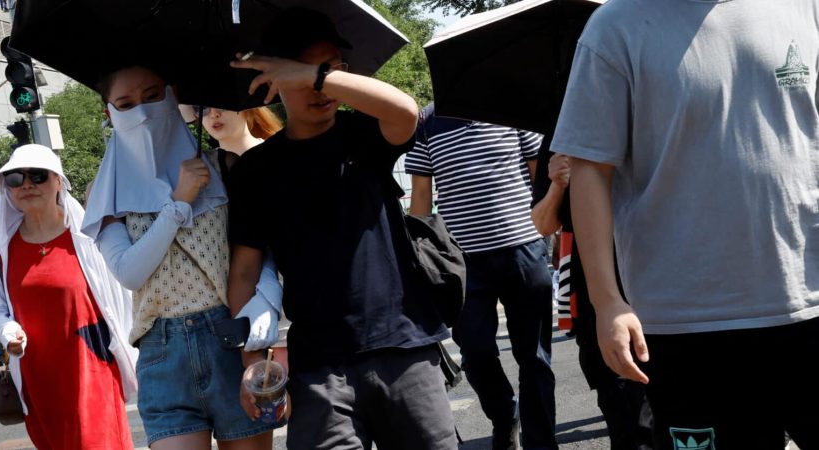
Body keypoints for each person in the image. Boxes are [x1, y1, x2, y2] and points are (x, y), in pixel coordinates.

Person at [551, 2, 819, 448]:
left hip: (810, 301)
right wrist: (608, 302)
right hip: (689, 326)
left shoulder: (806, 8)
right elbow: (590, 171)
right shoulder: (616, 27)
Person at [227, 8, 458, 450]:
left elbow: (407, 111)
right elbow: (244, 272)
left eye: (332, 68)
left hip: (404, 346)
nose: (322, 83)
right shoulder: (257, 170)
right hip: (318, 367)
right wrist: (253, 362)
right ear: (277, 78)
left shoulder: (364, 133)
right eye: (307, 69)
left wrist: (312, 75)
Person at [82, 62, 285, 450]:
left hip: (231, 340)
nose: (142, 112)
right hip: (162, 351)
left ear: (174, 96)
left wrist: (266, 303)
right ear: (108, 112)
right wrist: (178, 203)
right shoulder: (104, 191)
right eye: (125, 104)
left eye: (152, 96)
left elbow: (260, 252)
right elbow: (129, 272)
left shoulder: (224, 167)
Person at [406, 104, 556, 450]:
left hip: (524, 249)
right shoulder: (427, 122)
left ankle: (543, 443)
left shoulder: (512, 110)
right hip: (462, 263)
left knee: (534, 357)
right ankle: (505, 415)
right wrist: (421, 257)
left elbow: (539, 173)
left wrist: (546, 232)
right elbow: (421, 196)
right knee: (475, 352)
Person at [0, 144, 138, 450]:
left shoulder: (88, 238)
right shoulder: (3, 248)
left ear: (58, 182)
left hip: (92, 366)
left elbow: (124, 292)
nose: (27, 184)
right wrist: (7, 331)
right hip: (37, 376)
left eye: (38, 175)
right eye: (15, 178)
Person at [530, 148, 653, 449]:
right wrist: (558, 184)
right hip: (596, 299)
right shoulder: (561, 137)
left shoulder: (656, 118)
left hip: (663, 288)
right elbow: (542, 224)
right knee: (625, 420)